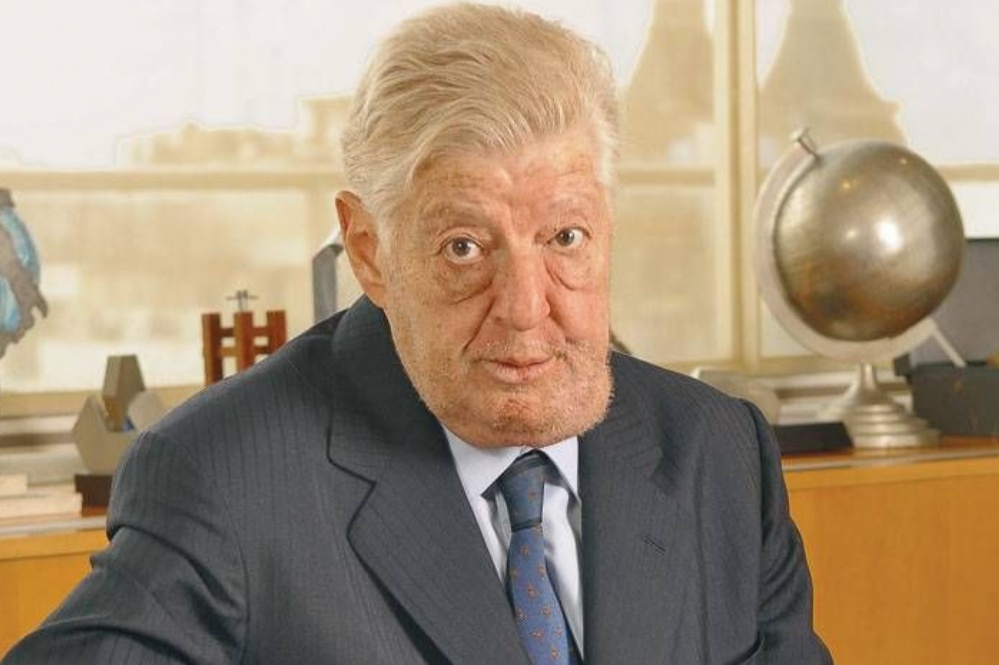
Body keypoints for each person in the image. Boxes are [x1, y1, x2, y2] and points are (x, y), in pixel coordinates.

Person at [3, 4, 831, 664]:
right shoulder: (229, 479)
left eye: (564, 237)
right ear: (369, 250)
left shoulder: (719, 455)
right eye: (464, 247)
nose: (525, 308)